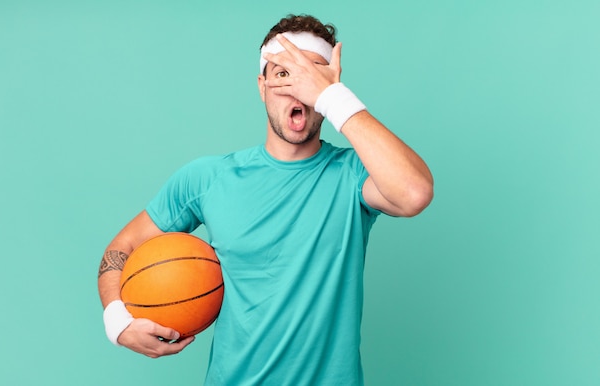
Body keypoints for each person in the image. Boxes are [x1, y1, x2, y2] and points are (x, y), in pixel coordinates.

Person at [98, 14, 433, 385]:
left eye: (313, 75)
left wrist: (333, 97)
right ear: (262, 85)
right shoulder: (208, 178)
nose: (299, 90)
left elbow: (414, 193)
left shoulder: (353, 175)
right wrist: (118, 321)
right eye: (284, 74)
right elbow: (123, 247)